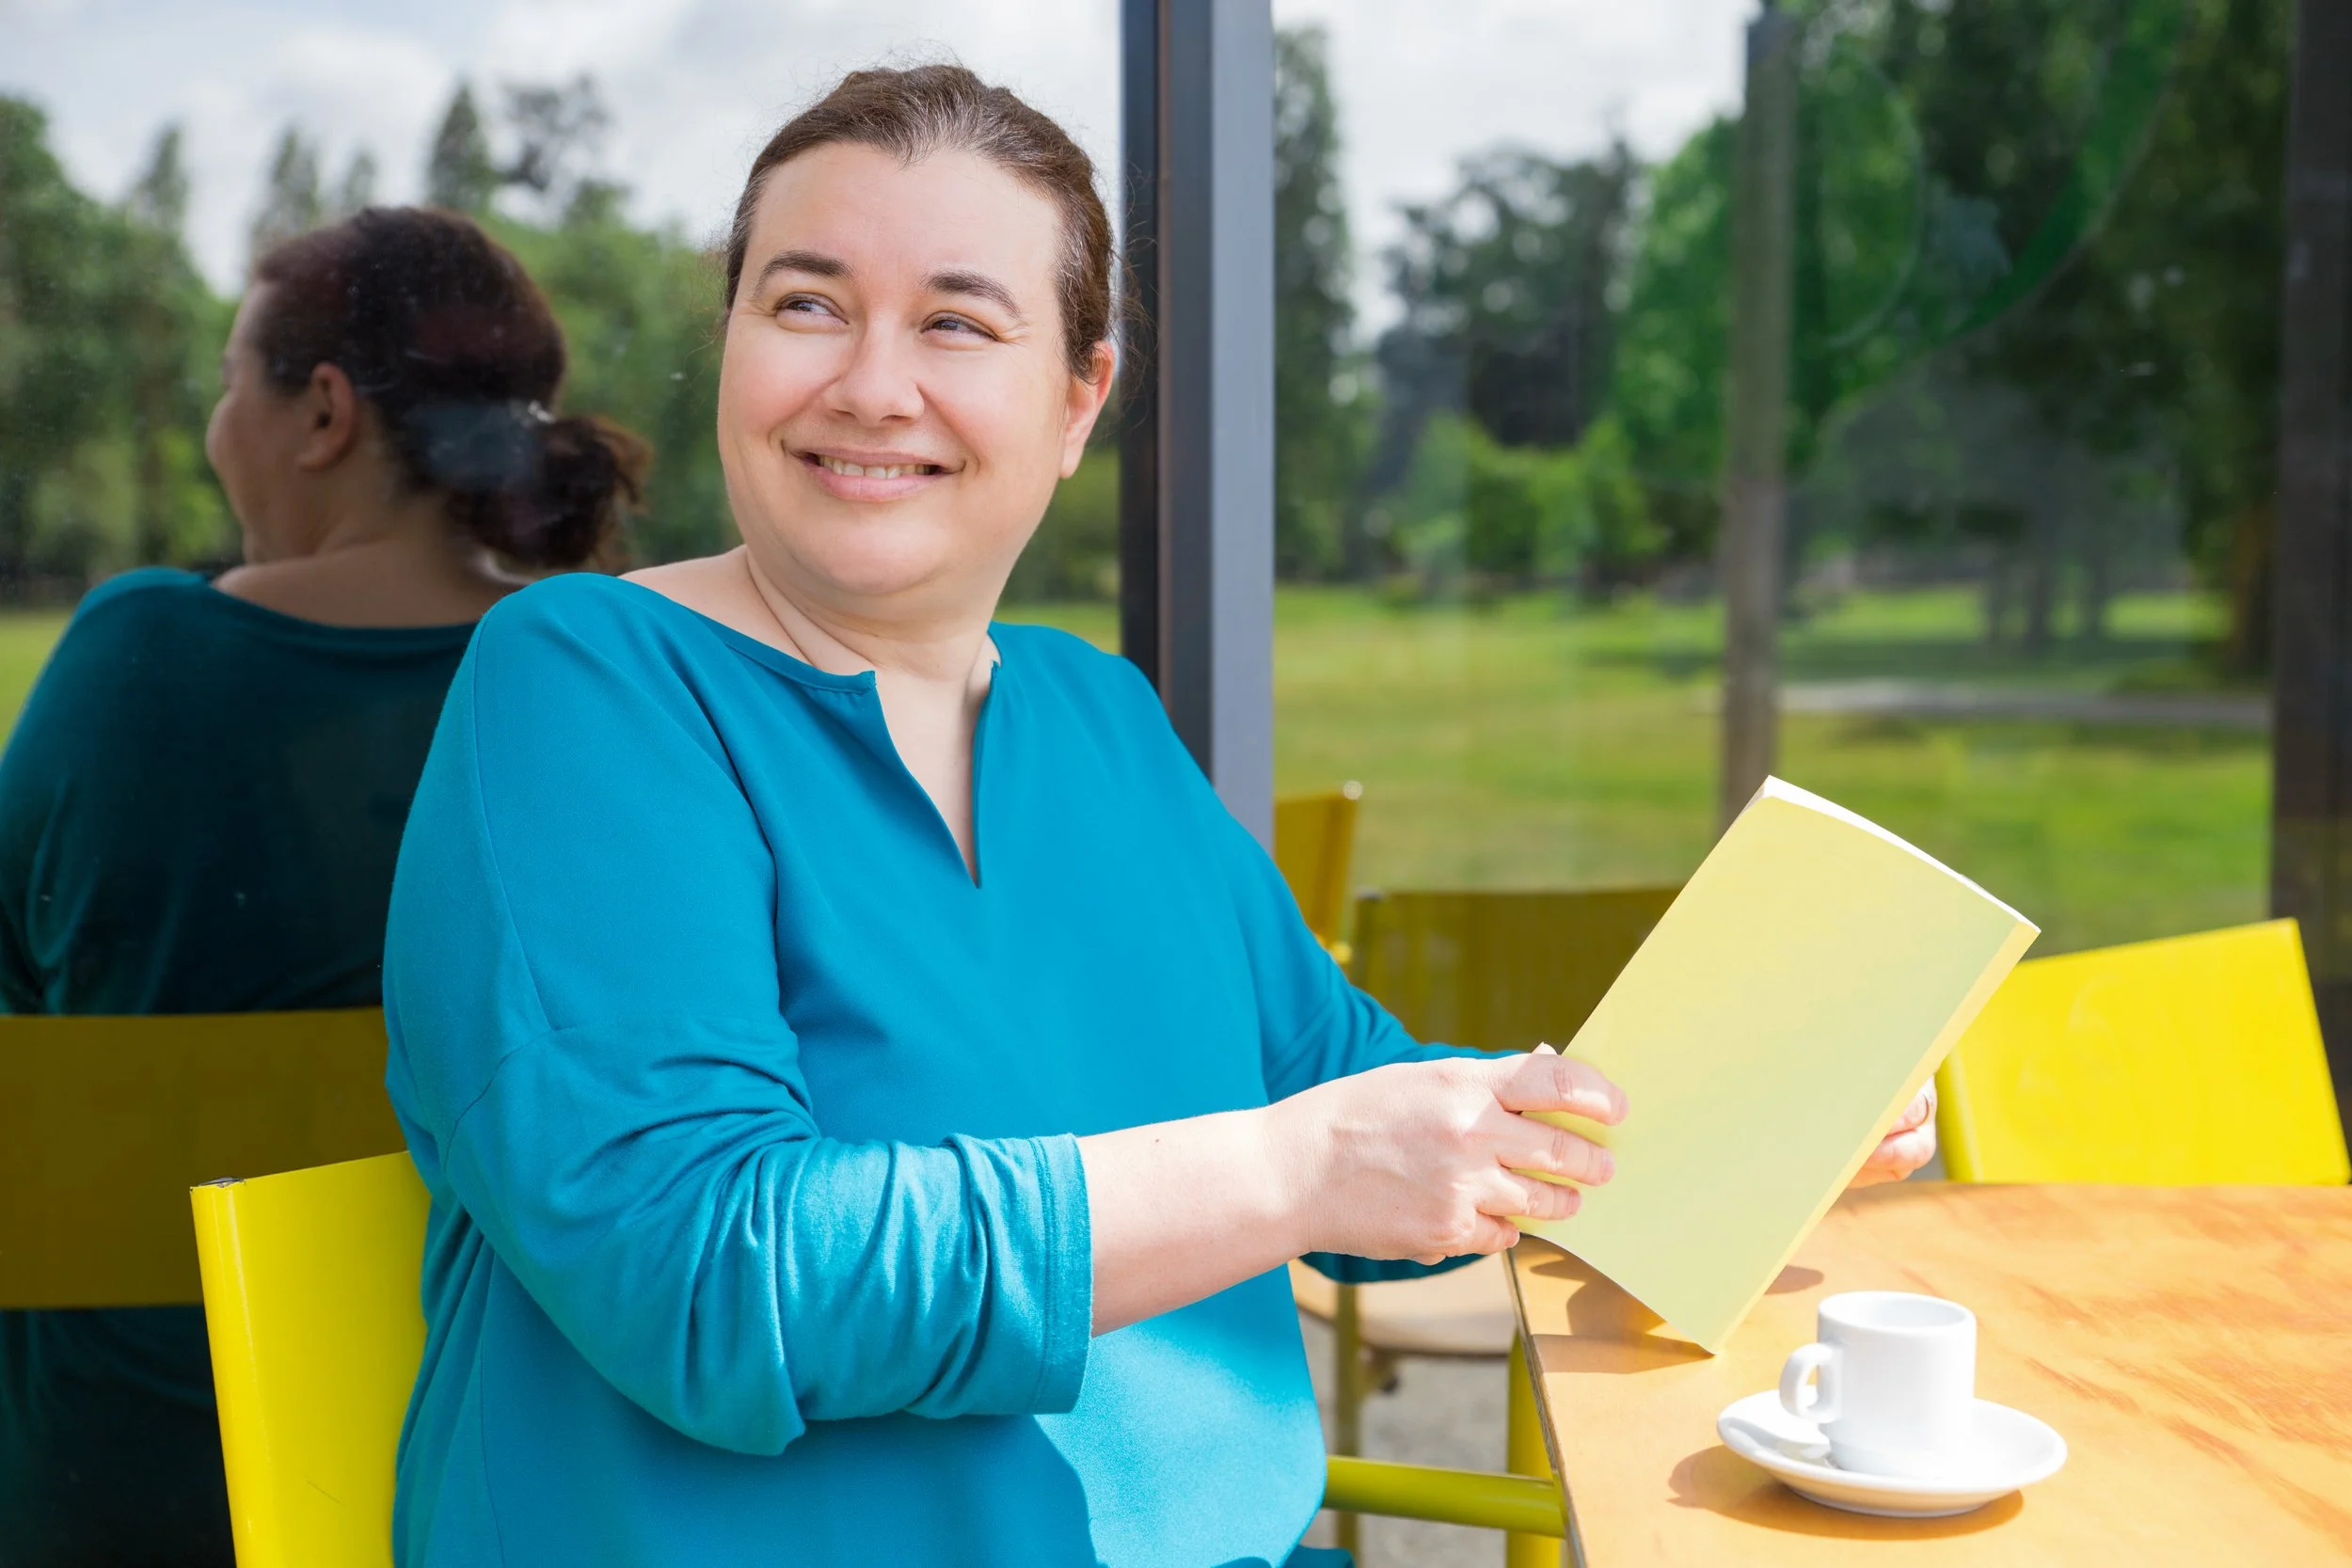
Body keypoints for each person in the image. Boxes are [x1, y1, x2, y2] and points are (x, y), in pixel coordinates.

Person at [381, 65, 1937, 1568]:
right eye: (806, 303)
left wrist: (1715, 1117)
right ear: (729, 341)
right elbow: (705, 1269)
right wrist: (1295, 1171)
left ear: (1078, 398)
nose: (870, 382)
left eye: (956, 322)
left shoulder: (1095, 718)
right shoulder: (587, 683)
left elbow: (1350, 1093)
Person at [0, 207, 646, 1568]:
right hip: (515, 1474)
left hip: (141, 1487)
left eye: (232, 385)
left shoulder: (138, 661)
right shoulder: (616, 686)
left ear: (323, 415)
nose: (214, 429)